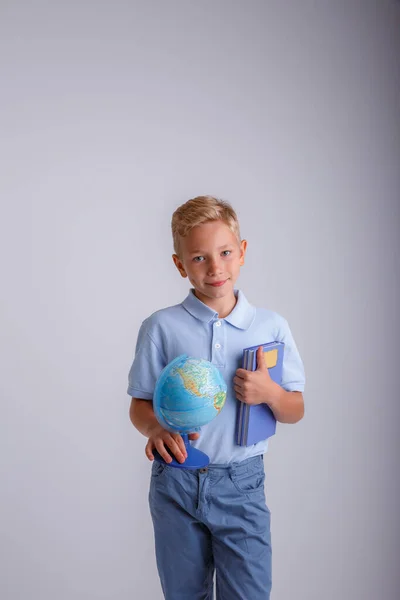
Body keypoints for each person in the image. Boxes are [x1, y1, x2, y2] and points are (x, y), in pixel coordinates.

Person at [127, 195, 305, 599]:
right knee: (184, 593)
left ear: (242, 253)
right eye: (199, 258)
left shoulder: (270, 327)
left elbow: (295, 408)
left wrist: (271, 393)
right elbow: (139, 404)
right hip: (175, 482)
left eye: (224, 253)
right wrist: (155, 428)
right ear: (180, 265)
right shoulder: (162, 326)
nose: (215, 267)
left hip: (241, 483)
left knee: (248, 593)